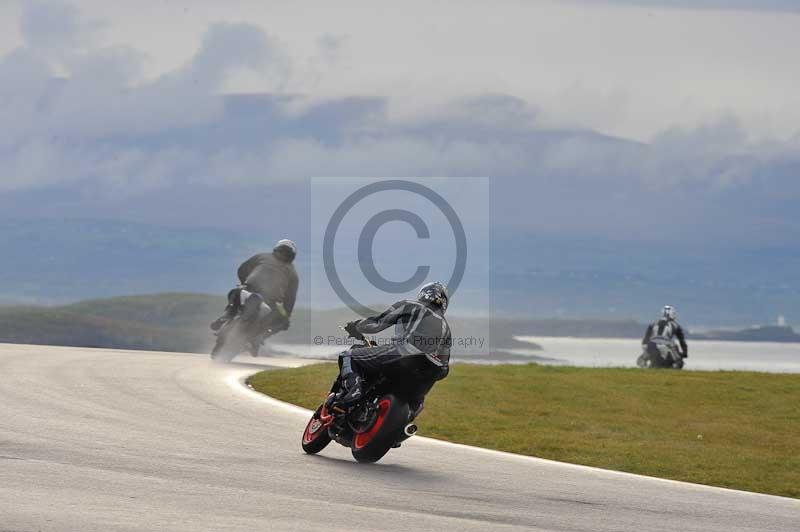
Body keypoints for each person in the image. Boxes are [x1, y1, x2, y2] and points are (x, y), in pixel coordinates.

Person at [335, 281, 452, 408]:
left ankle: (353, 391)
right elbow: (444, 368)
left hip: (401, 355)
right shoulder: (446, 329)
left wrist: (355, 325)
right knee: (417, 403)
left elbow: (376, 325)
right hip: (424, 378)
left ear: (424, 294)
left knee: (348, 355)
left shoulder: (410, 305)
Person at [210, 239, 299, 351]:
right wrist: (286, 314)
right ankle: (260, 337)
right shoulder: (293, 273)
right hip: (270, 301)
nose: (283, 254)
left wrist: (244, 282)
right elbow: (290, 298)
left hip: (250, 290)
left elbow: (242, 269)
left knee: (236, 293)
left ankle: (225, 316)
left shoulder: (262, 257)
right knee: (284, 322)